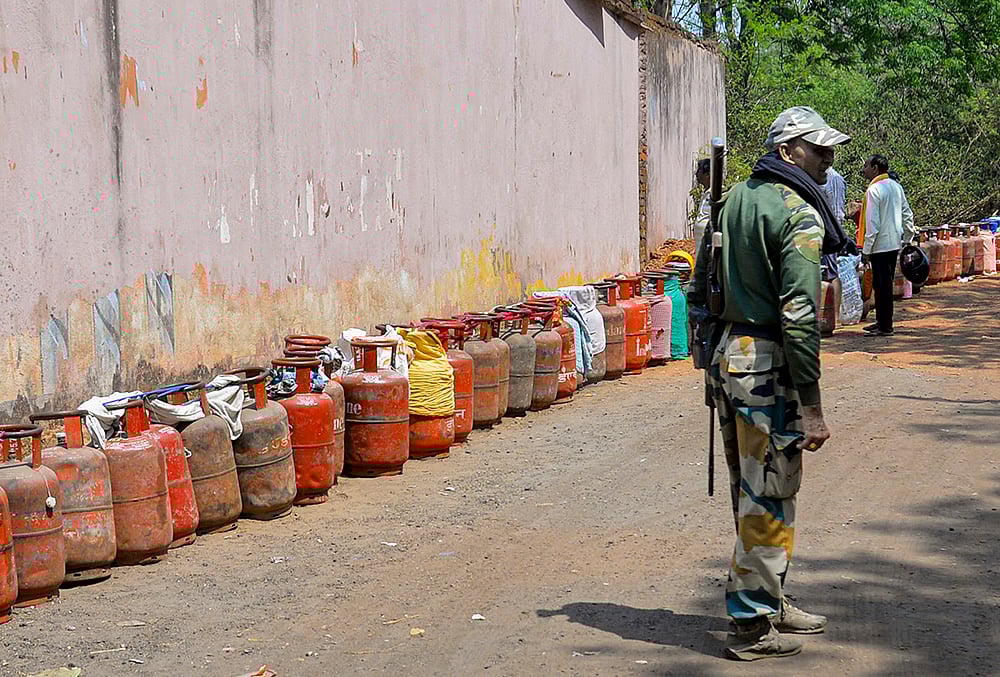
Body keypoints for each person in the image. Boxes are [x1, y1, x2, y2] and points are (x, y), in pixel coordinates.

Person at [689, 106, 850, 661]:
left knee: (751, 489)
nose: (828, 158)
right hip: (767, 366)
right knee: (771, 492)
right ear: (788, 153)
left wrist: (708, 355)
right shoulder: (797, 214)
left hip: (730, 359)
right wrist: (812, 405)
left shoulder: (731, 201)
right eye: (817, 148)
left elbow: (696, 281)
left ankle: (769, 597)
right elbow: (801, 316)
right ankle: (753, 624)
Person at [858, 155, 916, 336]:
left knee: (882, 286)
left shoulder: (874, 190)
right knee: (883, 284)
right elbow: (907, 214)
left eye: (866, 166)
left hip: (879, 245)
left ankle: (886, 326)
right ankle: (882, 321)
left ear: (875, 168)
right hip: (893, 244)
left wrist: (866, 250)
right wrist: (907, 238)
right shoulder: (896, 187)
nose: (864, 169)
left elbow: (872, 225)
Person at [693, 158, 712, 251]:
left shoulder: (717, 195)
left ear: (707, 174)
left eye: (699, 170)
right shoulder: (705, 194)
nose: (696, 174)